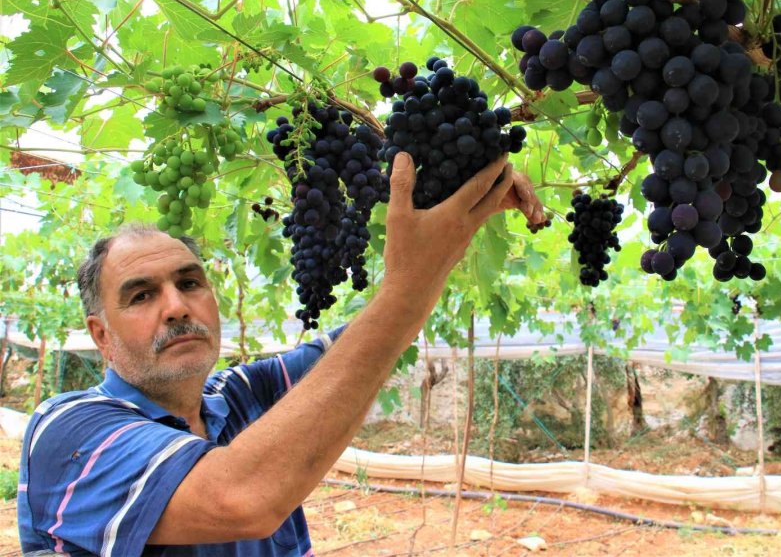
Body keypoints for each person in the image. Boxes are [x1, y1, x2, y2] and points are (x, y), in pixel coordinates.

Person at [17, 152, 545, 556]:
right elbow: (241, 498)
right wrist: (404, 289)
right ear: (101, 336)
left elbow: (368, 343)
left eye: (190, 283)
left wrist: (451, 217)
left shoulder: (239, 395)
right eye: (141, 296)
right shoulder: (67, 430)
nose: (176, 307)